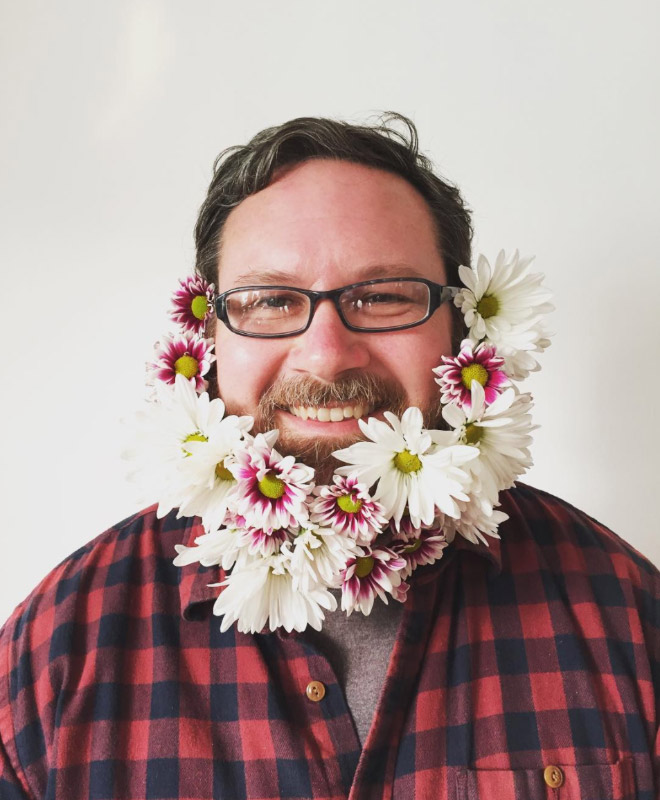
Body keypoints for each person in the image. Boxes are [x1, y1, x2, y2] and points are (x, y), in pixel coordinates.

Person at [1, 113, 658, 800]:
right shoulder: (52, 658)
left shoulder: (628, 619)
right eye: (270, 301)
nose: (325, 352)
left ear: (463, 329)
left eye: (381, 297)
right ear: (208, 337)